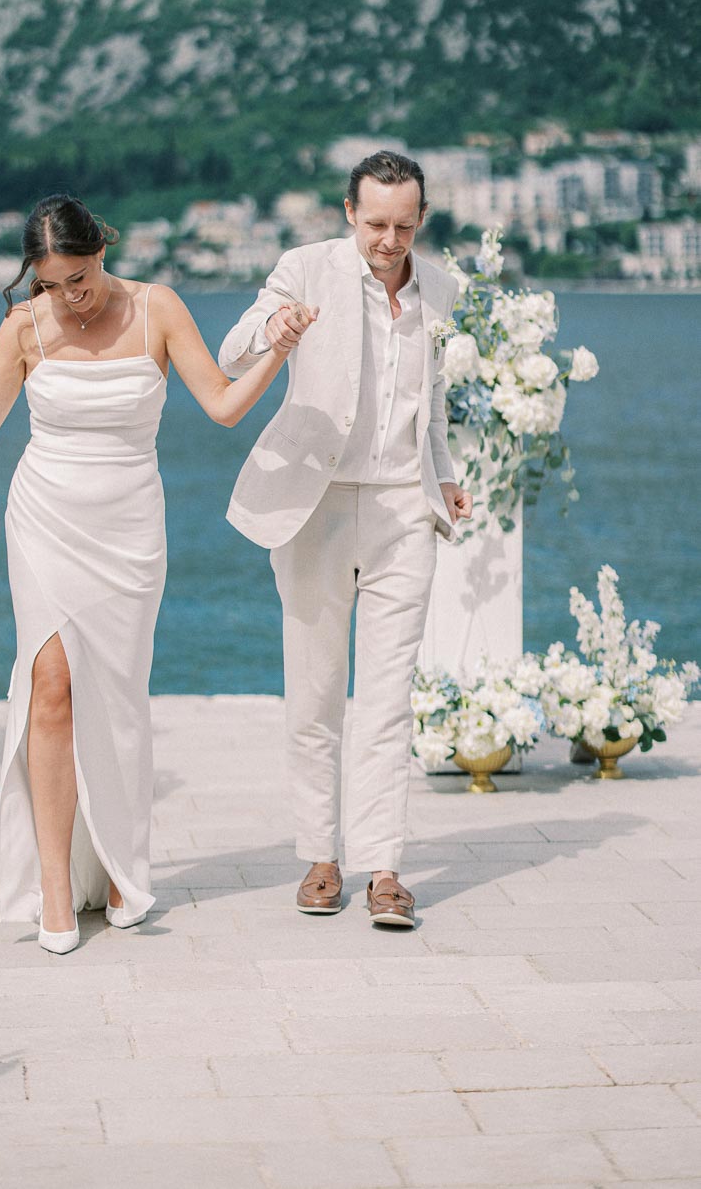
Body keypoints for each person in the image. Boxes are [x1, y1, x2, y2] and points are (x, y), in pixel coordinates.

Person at [0, 195, 315, 952]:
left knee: (117, 697)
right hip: (45, 521)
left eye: (79, 277)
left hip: (132, 528)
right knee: (52, 688)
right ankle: (50, 888)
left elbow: (224, 406)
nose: (70, 296)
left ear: (101, 248)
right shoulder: (24, 328)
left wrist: (280, 347)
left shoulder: (158, 308)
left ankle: (115, 864)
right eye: (51, 283)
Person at [218, 151, 473, 928]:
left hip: (404, 507)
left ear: (421, 219)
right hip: (316, 504)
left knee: (389, 697)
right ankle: (320, 857)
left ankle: (385, 869)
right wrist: (275, 328)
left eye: (403, 225)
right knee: (317, 689)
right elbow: (231, 351)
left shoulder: (444, 290)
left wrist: (449, 471)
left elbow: (434, 400)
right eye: (374, 225)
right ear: (347, 213)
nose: (388, 241)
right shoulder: (305, 269)